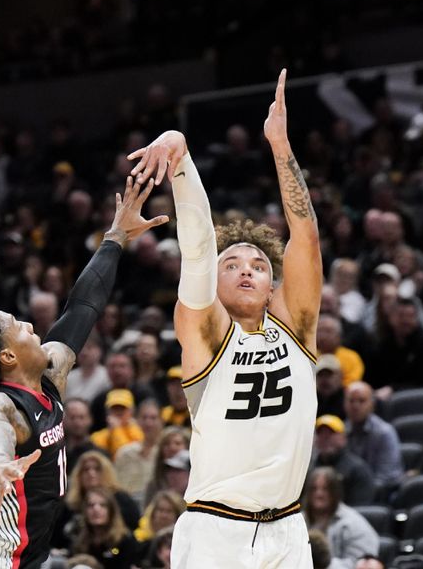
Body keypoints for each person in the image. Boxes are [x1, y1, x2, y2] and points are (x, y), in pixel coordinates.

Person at [0, 177, 166, 569]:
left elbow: (82, 308)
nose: (29, 325)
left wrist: (116, 236)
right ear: (6, 356)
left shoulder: (49, 375)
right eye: (17, 324)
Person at [130, 70, 320, 568]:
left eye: (258, 266)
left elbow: (305, 236)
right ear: (212, 285)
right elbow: (197, 251)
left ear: (272, 287)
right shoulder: (206, 334)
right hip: (217, 530)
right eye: (231, 264)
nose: (245, 271)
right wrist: (180, 161)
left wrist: (279, 144)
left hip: (289, 529)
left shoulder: (297, 329)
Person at [301, 467, 379, 568]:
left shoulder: (354, 524)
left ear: (335, 492)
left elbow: (363, 564)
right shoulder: (297, 522)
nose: (319, 494)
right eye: (314, 489)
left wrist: (322, 566)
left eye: (325, 489)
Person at [344, 381, 404, 493]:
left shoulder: (385, 432)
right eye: (351, 401)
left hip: (382, 493)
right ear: (344, 404)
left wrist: (359, 490)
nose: (355, 406)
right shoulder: (340, 432)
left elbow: (388, 476)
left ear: (372, 404)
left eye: (361, 401)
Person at [311, 415, 376, 505]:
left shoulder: (358, 469)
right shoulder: (308, 469)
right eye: (320, 433)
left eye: (331, 433)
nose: (325, 438)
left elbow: (362, 508)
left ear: (344, 438)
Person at [90, 389, 144, 457]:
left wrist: (116, 430)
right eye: (114, 408)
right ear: (107, 412)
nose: (118, 411)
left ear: (132, 411)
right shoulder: (96, 437)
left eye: (123, 408)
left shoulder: (139, 433)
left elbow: (125, 458)